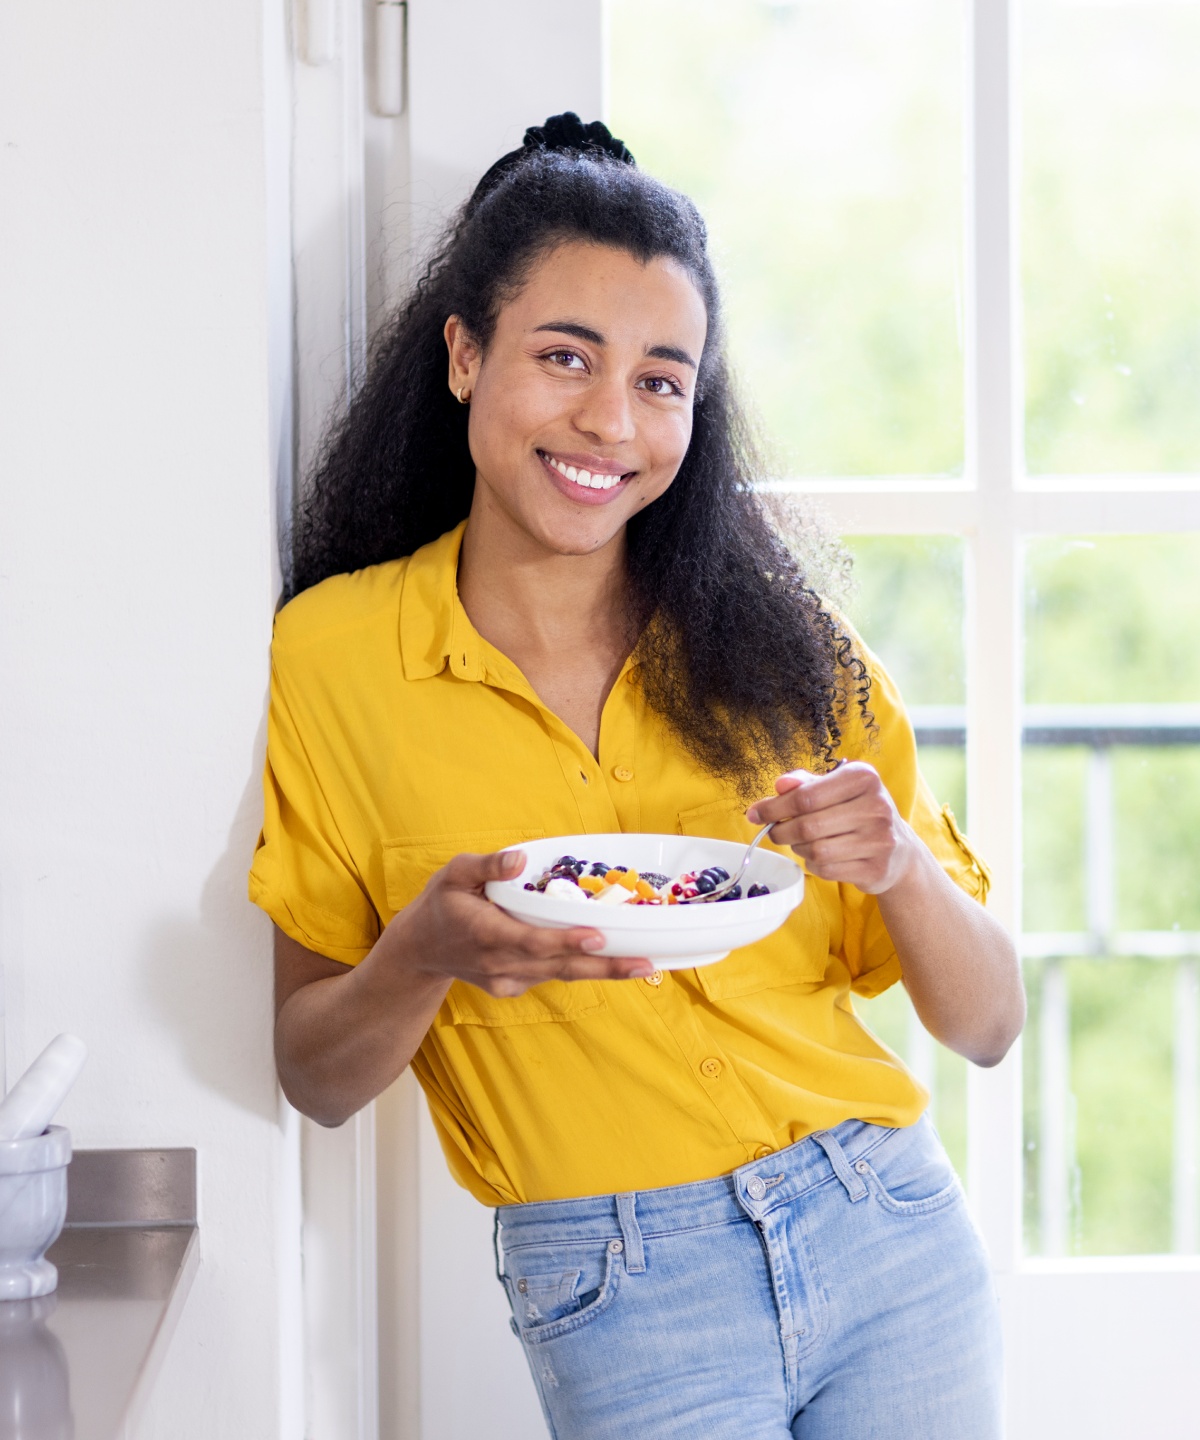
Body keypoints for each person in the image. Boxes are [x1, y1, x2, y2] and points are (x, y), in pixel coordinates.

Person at [250, 113, 1024, 1439]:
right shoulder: (331, 662)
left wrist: (895, 864)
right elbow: (315, 1074)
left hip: (884, 1228)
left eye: (662, 380)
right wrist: (424, 948)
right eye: (566, 358)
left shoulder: (785, 649)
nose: (611, 419)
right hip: (617, 1285)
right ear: (463, 354)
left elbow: (990, 1023)